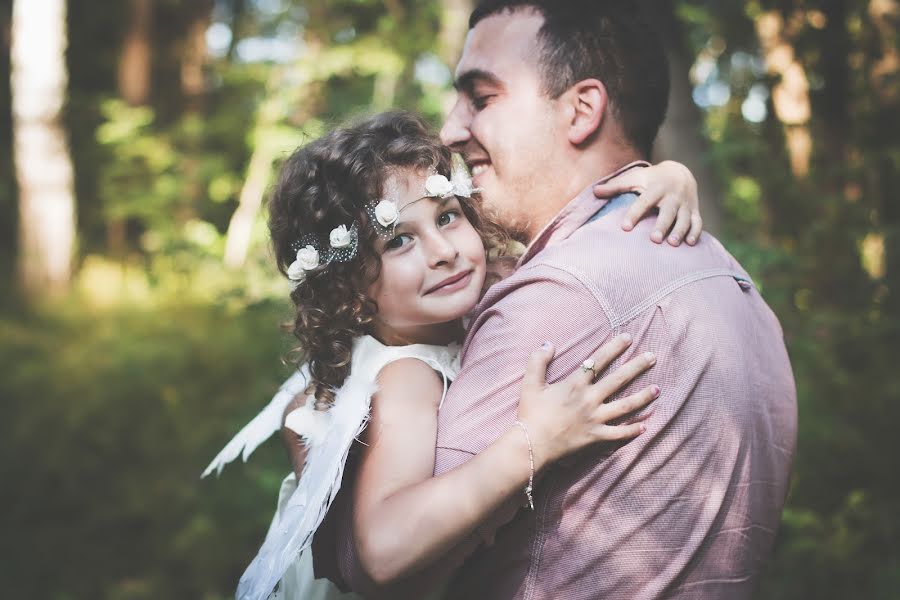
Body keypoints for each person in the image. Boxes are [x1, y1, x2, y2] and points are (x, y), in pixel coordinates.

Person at [203, 111, 705, 599]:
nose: (442, 250)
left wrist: (670, 176)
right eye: (398, 241)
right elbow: (382, 550)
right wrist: (535, 442)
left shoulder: (460, 294)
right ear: (349, 287)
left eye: (446, 216)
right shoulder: (406, 376)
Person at [423, 1, 798, 599]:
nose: (449, 129)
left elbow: (400, 564)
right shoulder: (740, 290)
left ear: (582, 110)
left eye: (482, 97)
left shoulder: (557, 295)